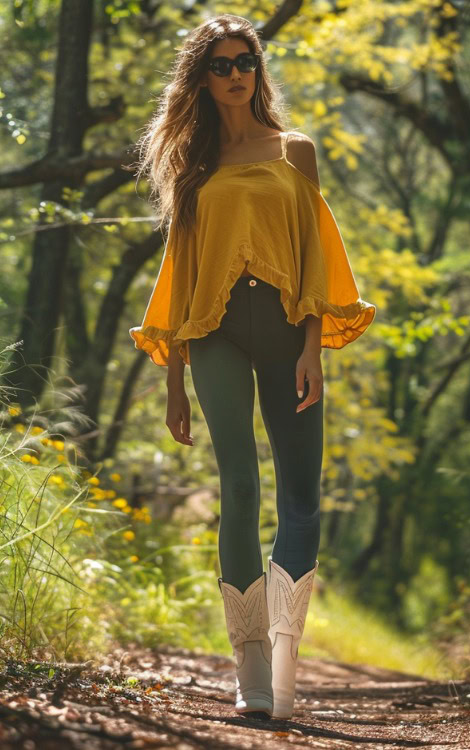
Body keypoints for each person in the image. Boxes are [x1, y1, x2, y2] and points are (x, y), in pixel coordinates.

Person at [129, 14, 376, 721]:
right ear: (200, 78)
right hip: (213, 335)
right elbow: (181, 271)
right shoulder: (193, 164)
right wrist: (173, 377)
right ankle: (251, 672)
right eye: (220, 64)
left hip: (286, 339)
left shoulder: (296, 151)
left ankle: (287, 657)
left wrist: (311, 349)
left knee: (300, 497)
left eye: (245, 62)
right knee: (238, 485)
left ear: (257, 70)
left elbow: (310, 253)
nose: (236, 74)